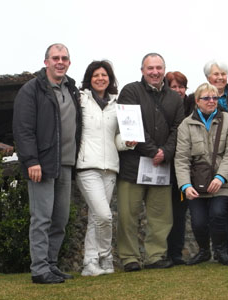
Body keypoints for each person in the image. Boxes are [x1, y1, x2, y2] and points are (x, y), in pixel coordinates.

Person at [13, 43, 82, 284]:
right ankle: (39, 269)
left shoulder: (72, 89)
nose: (60, 62)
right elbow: (23, 130)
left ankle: (51, 265)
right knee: (41, 218)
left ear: (69, 63)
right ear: (46, 62)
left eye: (64, 58)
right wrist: (31, 160)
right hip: (41, 165)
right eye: (55, 58)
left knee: (60, 219)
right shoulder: (32, 90)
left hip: (65, 163)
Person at [116, 53, 185, 272]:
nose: (155, 72)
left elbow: (178, 129)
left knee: (161, 216)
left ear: (164, 69)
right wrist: (153, 150)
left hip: (161, 165)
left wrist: (166, 152)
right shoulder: (130, 91)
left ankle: (155, 256)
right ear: (142, 70)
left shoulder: (175, 98)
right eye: (150, 68)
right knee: (128, 215)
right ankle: (129, 258)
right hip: (132, 165)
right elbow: (131, 126)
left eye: (158, 67)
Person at [75, 60, 136, 276]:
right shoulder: (80, 100)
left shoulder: (116, 104)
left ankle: (90, 263)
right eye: (96, 75)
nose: (100, 78)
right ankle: (105, 256)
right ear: (89, 79)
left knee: (95, 217)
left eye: (104, 75)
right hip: (86, 166)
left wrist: (127, 143)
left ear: (110, 79)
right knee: (104, 215)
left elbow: (116, 139)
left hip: (110, 167)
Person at [174, 82, 228, 266]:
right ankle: (204, 251)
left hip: (222, 180)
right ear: (197, 101)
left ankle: (220, 251)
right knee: (198, 221)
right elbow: (181, 158)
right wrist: (185, 186)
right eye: (206, 98)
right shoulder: (186, 125)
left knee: (218, 214)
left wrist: (221, 177)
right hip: (196, 180)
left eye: (215, 97)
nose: (212, 101)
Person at [203, 60, 228, 260]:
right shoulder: (200, 95)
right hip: (208, 157)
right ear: (207, 77)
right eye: (215, 74)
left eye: (223, 74)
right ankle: (216, 247)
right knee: (212, 207)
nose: (219, 77)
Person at [165, 71, 190, 265]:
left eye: (181, 86)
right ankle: (163, 253)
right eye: (173, 86)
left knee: (179, 213)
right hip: (164, 163)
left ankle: (176, 253)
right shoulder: (163, 105)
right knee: (163, 212)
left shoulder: (192, 106)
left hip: (184, 168)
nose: (178, 90)